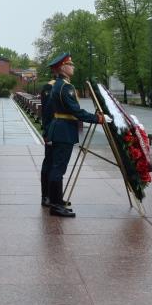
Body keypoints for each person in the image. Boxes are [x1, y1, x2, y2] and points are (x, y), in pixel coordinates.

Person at [45, 53, 104, 217]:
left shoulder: (59, 85)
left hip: (61, 129)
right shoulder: (65, 87)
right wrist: (96, 118)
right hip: (64, 131)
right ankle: (56, 206)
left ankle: (57, 200)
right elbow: (75, 111)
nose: (73, 67)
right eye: (70, 64)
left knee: (58, 167)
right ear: (63, 68)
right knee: (58, 168)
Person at [38, 61, 58, 208]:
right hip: (52, 132)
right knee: (49, 163)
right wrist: (47, 133)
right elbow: (47, 113)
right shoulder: (49, 87)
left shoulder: (61, 86)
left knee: (56, 165)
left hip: (60, 132)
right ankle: (46, 196)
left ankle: (55, 196)